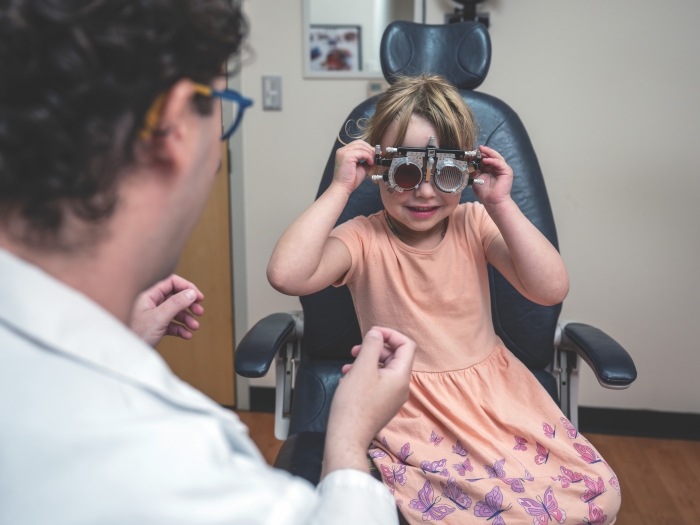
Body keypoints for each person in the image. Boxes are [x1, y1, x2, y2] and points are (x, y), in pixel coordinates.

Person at [0, 1, 416, 524]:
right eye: (223, 104)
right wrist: (350, 443)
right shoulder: (174, 468)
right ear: (174, 127)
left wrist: (116, 341)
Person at [268, 75, 621, 524]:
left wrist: (501, 205)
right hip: (407, 401)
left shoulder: (475, 223)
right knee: (471, 512)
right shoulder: (361, 238)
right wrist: (340, 189)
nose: (426, 191)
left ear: (469, 173)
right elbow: (286, 274)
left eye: (448, 174)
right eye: (407, 171)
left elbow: (549, 288)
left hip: (497, 396)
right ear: (378, 166)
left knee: (598, 496)